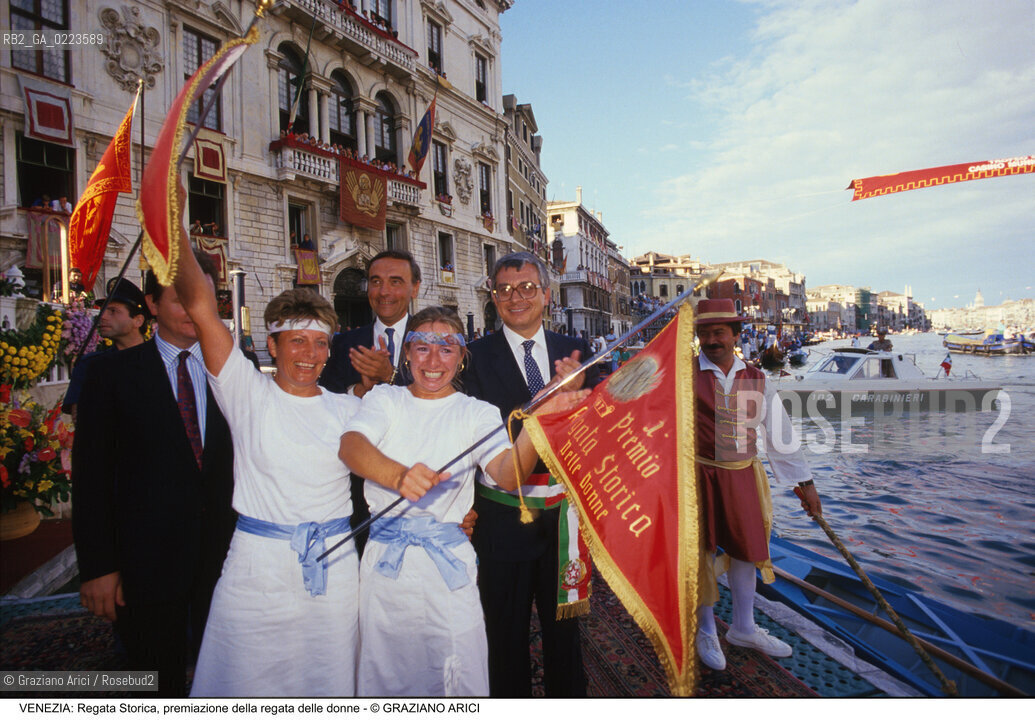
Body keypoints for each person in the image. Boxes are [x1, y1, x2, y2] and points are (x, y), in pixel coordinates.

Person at [340, 306, 588, 696]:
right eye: (422, 347)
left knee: (457, 673)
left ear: (461, 357)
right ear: (406, 353)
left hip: (450, 568)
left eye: (446, 349)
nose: (433, 361)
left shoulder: (477, 412)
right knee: (388, 674)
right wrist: (398, 476)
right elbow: (351, 446)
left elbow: (507, 475)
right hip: (387, 566)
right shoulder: (385, 399)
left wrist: (538, 422)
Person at [165, 226, 361, 697]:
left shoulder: (349, 408)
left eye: (319, 343)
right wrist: (173, 223)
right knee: (244, 682)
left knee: (329, 681)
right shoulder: (245, 392)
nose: (309, 355)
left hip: (335, 567)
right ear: (272, 345)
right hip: (256, 567)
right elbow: (200, 307)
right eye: (297, 341)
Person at [71, 255, 235, 697]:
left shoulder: (234, 370)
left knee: (226, 681)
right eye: (182, 298)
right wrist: (99, 567)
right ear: (152, 303)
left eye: (204, 298)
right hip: (145, 565)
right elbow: (92, 478)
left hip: (224, 561)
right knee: (155, 681)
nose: (195, 308)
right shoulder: (109, 375)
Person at [463, 251, 599, 697]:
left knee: (566, 632)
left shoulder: (577, 353)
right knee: (504, 633)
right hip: (503, 516)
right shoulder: (472, 358)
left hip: (563, 519)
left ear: (546, 294)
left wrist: (580, 395)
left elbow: (606, 419)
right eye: (503, 289)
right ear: (493, 298)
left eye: (525, 287)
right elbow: (468, 433)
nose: (515, 297)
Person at [692, 298, 821, 672]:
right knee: (700, 552)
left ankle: (743, 628)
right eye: (704, 333)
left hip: (743, 475)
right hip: (698, 476)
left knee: (746, 549)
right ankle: (705, 630)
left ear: (735, 334)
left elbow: (780, 435)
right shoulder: (683, 376)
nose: (711, 340)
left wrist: (806, 485)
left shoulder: (757, 379)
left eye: (719, 332)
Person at [320, 249, 421, 555]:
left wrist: (390, 377)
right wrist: (359, 391)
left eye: (395, 281)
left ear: (415, 288)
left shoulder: (432, 341)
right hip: (357, 492)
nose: (384, 291)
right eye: (376, 282)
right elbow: (324, 404)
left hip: (419, 484)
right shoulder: (344, 344)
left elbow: (446, 402)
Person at [62, 278, 150, 418]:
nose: (102, 316)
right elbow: (80, 419)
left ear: (138, 320)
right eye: (103, 310)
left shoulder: (161, 361)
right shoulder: (90, 365)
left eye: (113, 311)